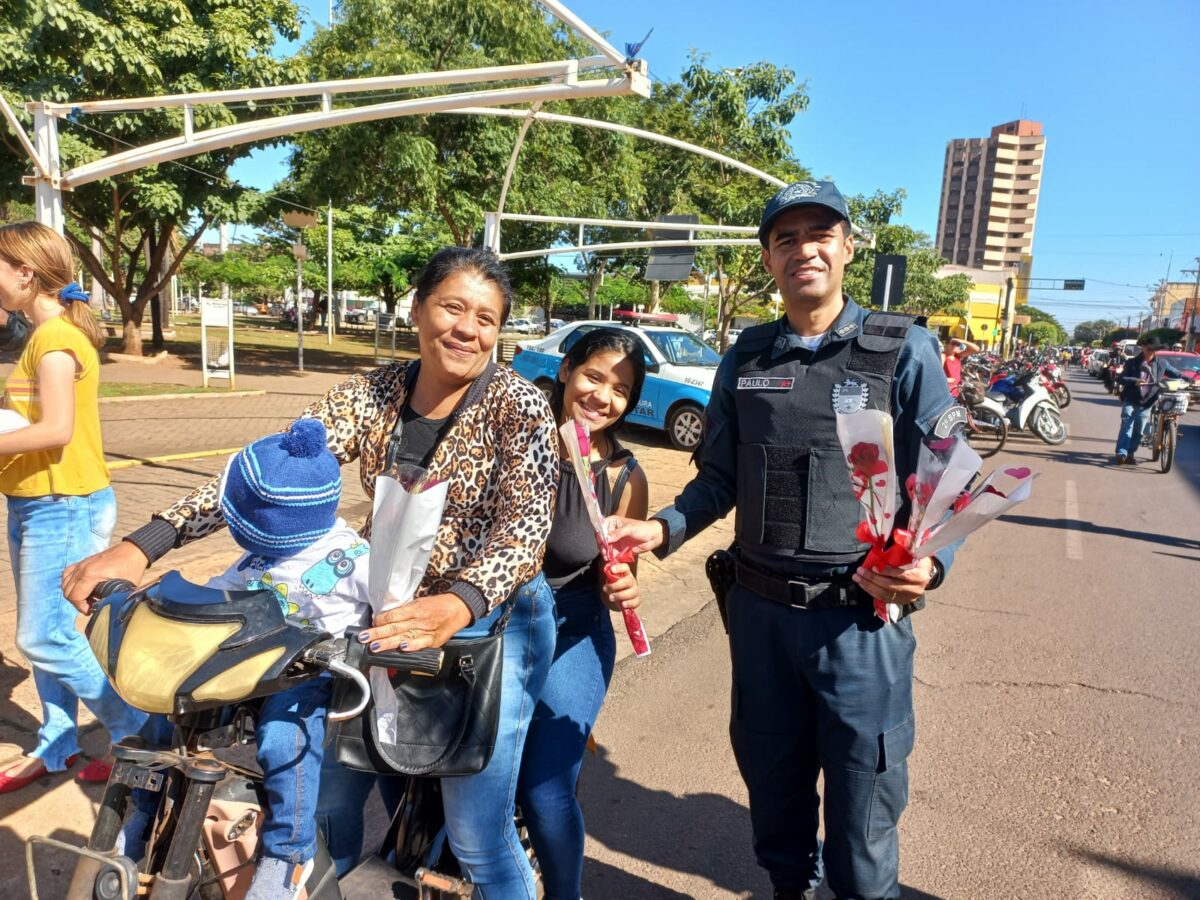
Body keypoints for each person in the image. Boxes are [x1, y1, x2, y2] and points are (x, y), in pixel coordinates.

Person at [63, 247, 559, 898]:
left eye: (487, 319)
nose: (468, 329)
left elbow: (524, 533)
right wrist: (146, 543)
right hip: (379, 613)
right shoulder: (375, 394)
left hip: (489, 623)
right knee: (325, 804)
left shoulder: (519, 407)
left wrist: (458, 605)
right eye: (453, 307)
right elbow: (272, 474)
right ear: (417, 309)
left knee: (475, 834)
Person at [607, 181, 962, 900]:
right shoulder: (749, 355)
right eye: (786, 238)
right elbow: (717, 478)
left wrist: (933, 561)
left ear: (848, 247)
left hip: (861, 621)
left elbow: (947, 473)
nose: (805, 249)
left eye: (820, 233)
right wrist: (661, 528)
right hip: (762, 618)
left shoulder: (903, 349)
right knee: (776, 805)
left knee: (863, 825)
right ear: (769, 258)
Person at [116, 418, 372, 898]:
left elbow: (390, 603)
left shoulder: (351, 556)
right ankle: (143, 813)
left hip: (303, 673)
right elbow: (218, 595)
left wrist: (376, 638)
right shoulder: (257, 559)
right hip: (248, 666)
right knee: (163, 709)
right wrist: (162, 603)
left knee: (284, 741)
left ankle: (286, 855)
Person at [0, 222, 146, 793]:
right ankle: (58, 743)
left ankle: (138, 733)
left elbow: (56, 429)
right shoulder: (42, 334)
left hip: (62, 504)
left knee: (44, 638)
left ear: (25, 272)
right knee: (52, 634)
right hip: (37, 500)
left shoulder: (56, 341)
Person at [516, 328, 649, 900]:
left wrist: (621, 585)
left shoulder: (623, 475)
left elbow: (617, 583)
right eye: (594, 376)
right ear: (567, 369)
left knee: (545, 792)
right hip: (490, 631)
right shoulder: (515, 439)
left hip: (573, 635)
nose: (602, 396)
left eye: (620, 390)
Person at [1112, 334, 1182, 465]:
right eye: (1148, 349)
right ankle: (1121, 453)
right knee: (1126, 425)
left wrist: (1189, 379)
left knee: (1139, 431)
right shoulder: (1132, 362)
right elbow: (1121, 378)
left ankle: (1130, 453)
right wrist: (1135, 381)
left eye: (1153, 349)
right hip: (1131, 399)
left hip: (1148, 402)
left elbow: (1176, 373)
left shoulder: (1162, 363)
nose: (1150, 352)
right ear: (1143, 348)